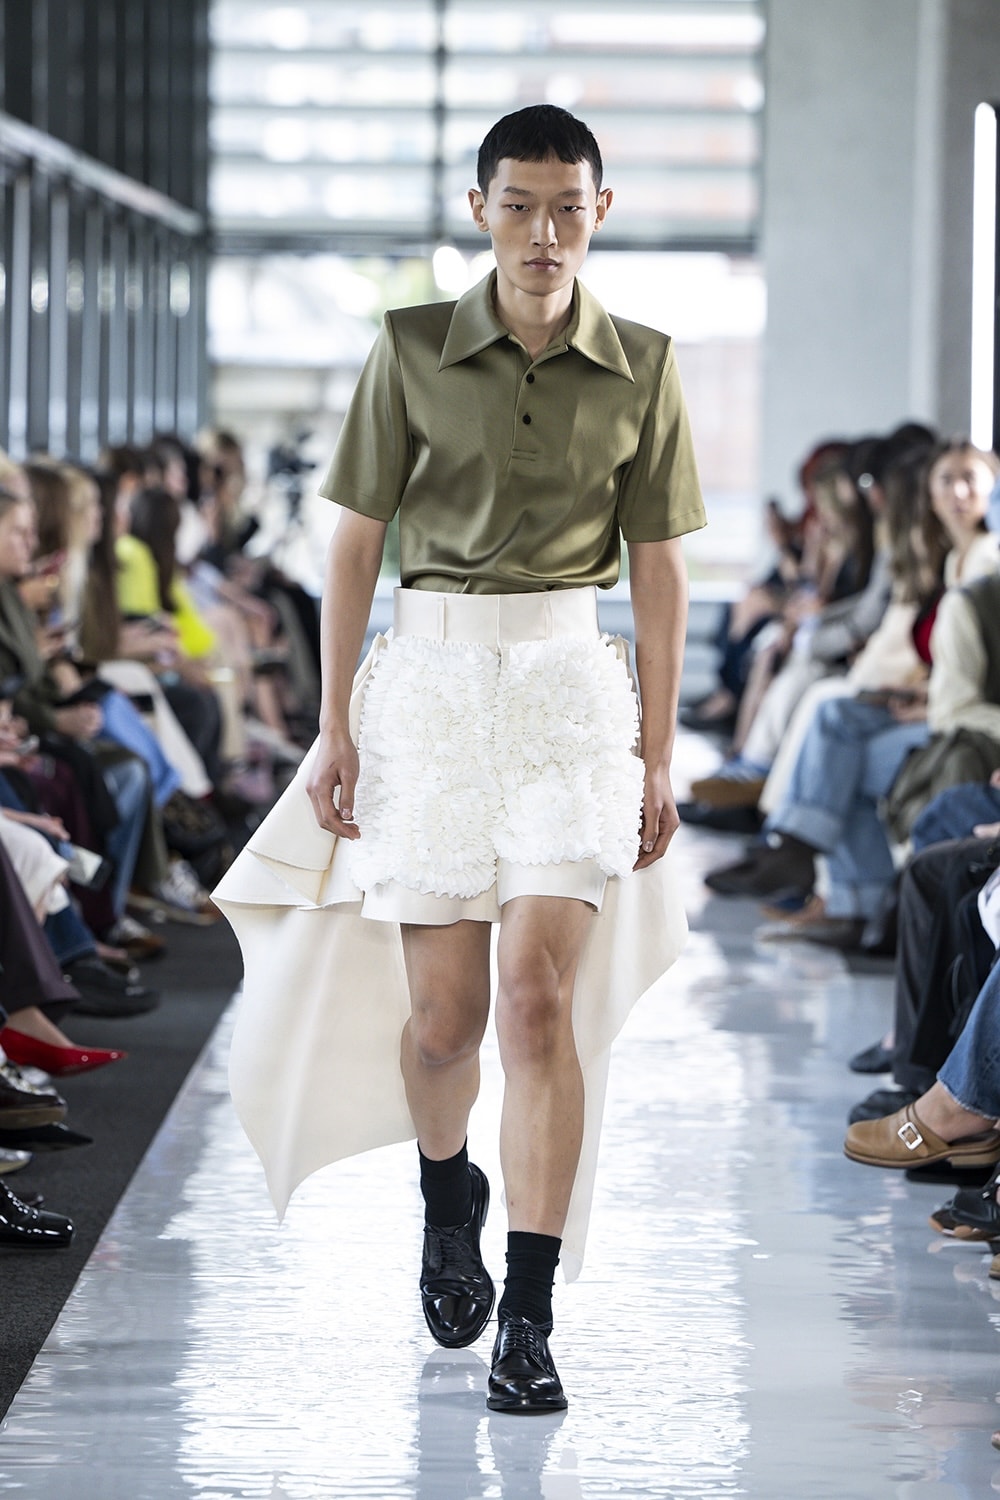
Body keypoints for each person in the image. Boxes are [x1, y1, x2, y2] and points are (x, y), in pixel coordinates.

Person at [215, 104, 705, 1414]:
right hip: (427, 695)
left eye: (568, 207)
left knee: (538, 1002)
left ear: (601, 211)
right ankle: (449, 1199)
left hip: (568, 700)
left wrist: (657, 753)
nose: (544, 232)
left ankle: (529, 1320)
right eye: (520, 205)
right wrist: (333, 724)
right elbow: (353, 548)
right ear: (479, 208)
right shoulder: (407, 349)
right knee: (445, 1024)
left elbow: (658, 570)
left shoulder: (646, 366)